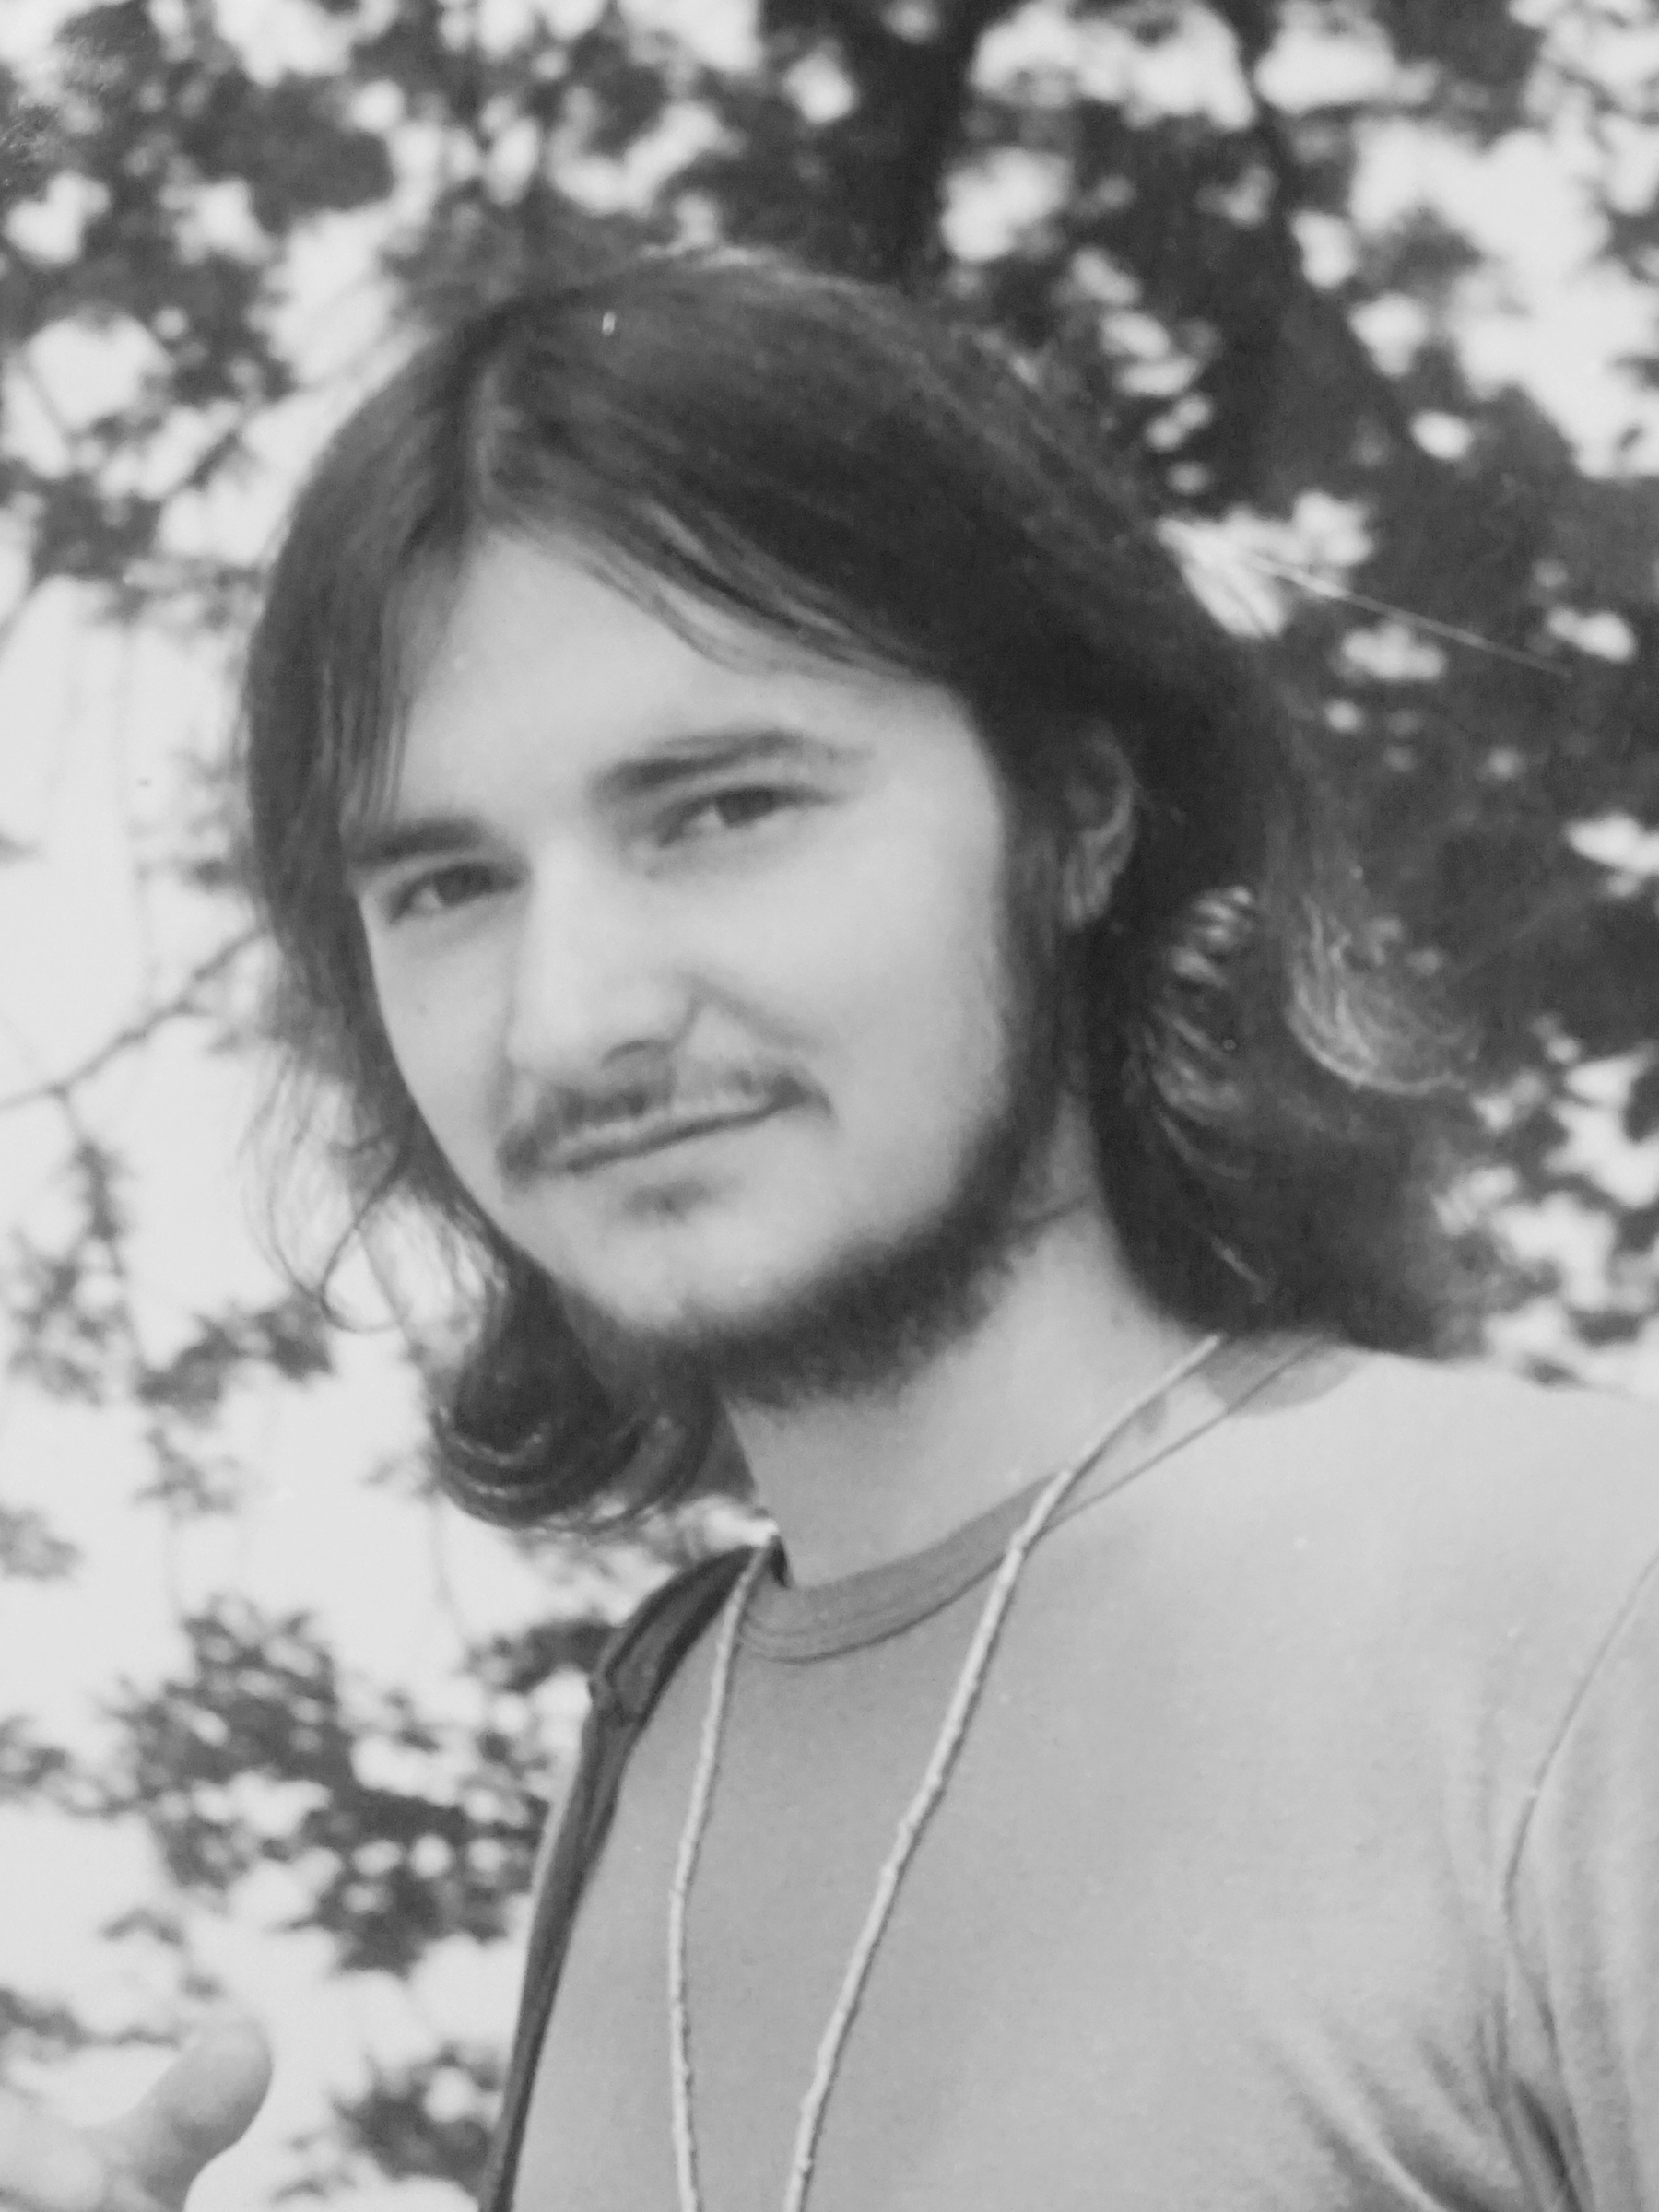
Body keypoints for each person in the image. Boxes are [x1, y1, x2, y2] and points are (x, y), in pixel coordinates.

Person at [4, 248, 1656, 2212]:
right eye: (448, 885)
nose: (573, 1016)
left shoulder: (1586, 1612)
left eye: (720, 810)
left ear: (1079, 812)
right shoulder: (662, 1739)